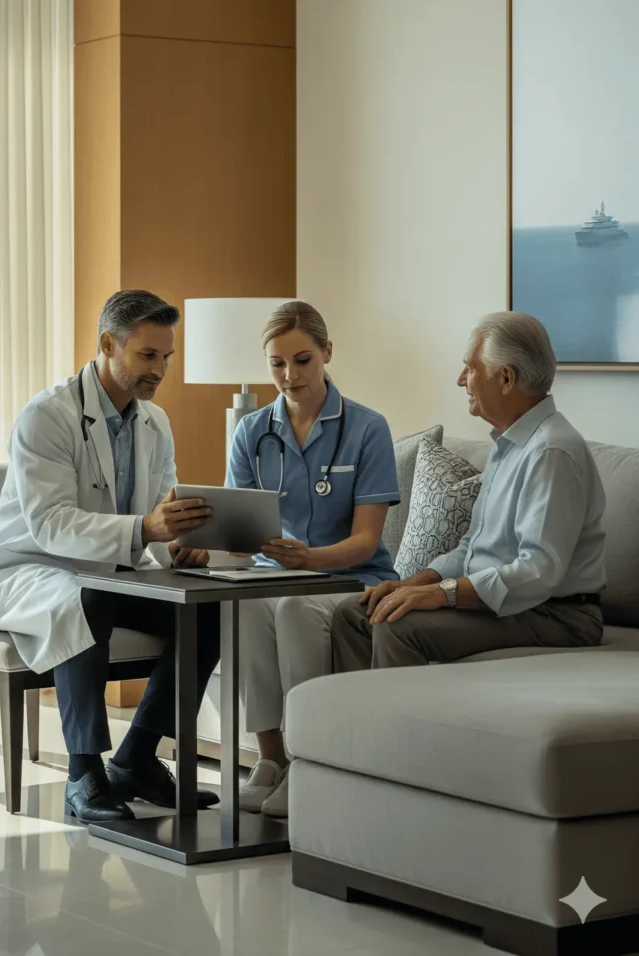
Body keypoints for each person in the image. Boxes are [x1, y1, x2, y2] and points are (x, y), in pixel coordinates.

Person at [0, 289, 221, 824]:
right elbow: (51, 524)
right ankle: (84, 774)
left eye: (167, 358)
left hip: (111, 572)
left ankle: (136, 759)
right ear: (109, 344)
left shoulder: (155, 423)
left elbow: (158, 511)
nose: (160, 370)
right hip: (29, 568)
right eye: (148, 356)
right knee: (83, 599)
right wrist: (145, 528)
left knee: (206, 612)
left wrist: (176, 540)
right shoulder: (48, 416)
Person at [331, 311, 606, 673]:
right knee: (354, 613)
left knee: (397, 626)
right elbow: (471, 548)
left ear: (505, 378)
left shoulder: (551, 451)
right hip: (503, 604)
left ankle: (401, 730)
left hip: (557, 614)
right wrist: (410, 584)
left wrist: (441, 593)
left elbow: (538, 571)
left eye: (471, 368)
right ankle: (357, 727)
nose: (461, 380)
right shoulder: (509, 445)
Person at [228, 300, 401, 818]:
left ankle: (308, 760)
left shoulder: (367, 429)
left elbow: (365, 542)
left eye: (302, 360)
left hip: (349, 577)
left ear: (327, 353)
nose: (289, 375)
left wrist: (308, 560)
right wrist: (212, 539)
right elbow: (240, 532)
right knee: (239, 605)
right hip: (273, 575)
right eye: (277, 363)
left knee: (293, 608)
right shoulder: (251, 431)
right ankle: (269, 758)